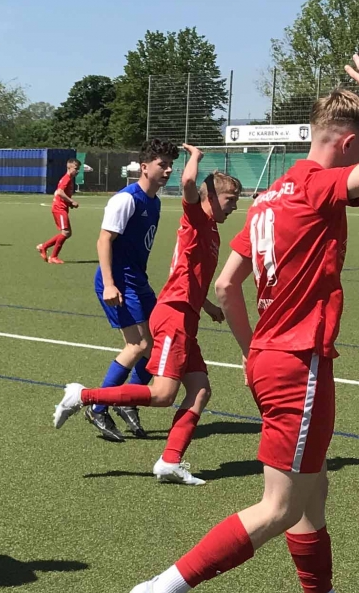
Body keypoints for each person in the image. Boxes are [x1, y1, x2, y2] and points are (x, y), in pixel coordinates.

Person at [127, 57, 359, 593]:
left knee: (313, 487)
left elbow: (228, 285)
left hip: (271, 358)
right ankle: (163, 590)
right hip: (298, 362)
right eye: (358, 151)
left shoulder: (270, 197)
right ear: (347, 144)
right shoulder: (317, 186)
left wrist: (253, 349)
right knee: (279, 507)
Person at [53, 145, 241, 485]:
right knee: (162, 393)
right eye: (230, 200)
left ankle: (170, 462)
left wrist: (208, 306)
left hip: (184, 315)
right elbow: (188, 184)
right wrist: (195, 157)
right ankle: (84, 397)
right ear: (211, 198)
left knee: (200, 391)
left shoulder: (211, 230)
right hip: (173, 315)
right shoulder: (196, 218)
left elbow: (190, 277)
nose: (235, 207)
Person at [83, 138, 175, 442]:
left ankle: (128, 401)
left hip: (138, 280)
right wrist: (110, 284)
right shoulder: (126, 199)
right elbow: (103, 240)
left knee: (157, 345)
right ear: (145, 167)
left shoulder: (155, 202)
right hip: (119, 281)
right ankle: (98, 407)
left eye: (171, 165)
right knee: (138, 345)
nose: (168, 170)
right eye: (162, 164)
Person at [37, 158, 81, 263]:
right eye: (76, 168)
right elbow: (60, 192)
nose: (77, 171)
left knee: (67, 233)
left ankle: (44, 247)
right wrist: (71, 201)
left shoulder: (69, 179)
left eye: (78, 169)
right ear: (69, 167)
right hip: (59, 208)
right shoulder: (66, 179)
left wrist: (69, 203)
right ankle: (52, 256)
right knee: (66, 232)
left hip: (62, 207)